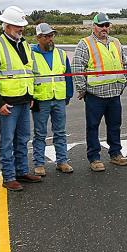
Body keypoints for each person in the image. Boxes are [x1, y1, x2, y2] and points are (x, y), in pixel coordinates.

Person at [0, 6, 41, 192]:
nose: (21, 29)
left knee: (23, 138)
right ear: (7, 26)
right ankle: (9, 176)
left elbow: (28, 71)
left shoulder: (24, 44)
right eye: (18, 26)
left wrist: (31, 95)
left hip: (25, 100)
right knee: (8, 141)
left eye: (22, 26)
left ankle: (21, 171)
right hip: (7, 103)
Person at [72, 12, 127, 172]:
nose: (104, 28)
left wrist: (124, 82)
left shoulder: (116, 42)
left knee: (115, 125)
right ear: (94, 26)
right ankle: (94, 157)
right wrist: (82, 89)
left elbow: (124, 64)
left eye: (107, 25)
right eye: (101, 25)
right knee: (93, 126)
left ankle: (115, 153)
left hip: (114, 94)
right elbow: (77, 68)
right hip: (95, 96)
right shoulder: (85, 44)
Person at [30, 22, 75, 175]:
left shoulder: (61, 54)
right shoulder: (30, 55)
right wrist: (30, 97)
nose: (50, 39)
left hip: (59, 98)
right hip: (40, 99)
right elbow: (28, 78)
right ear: (38, 38)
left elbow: (68, 75)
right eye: (46, 36)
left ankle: (62, 161)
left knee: (60, 132)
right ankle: (39, 164)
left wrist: (68, 94)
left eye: (51, 35)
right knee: (40, 133)